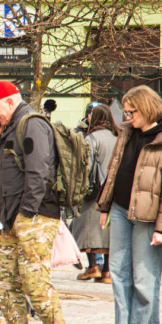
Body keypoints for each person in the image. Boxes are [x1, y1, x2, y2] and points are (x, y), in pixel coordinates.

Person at [0, 81, 69, 324]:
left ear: (9, 101)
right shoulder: (8, 127)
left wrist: (27, 213)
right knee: (5, 282)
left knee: (35, 283)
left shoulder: (32, 124)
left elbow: (39, 171)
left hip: (34, 217)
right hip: (12, 219)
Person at [97, 86, 162, 324]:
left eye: (131, 111)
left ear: (146, 108)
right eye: (125, 111)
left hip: (147, 217)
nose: (127, 116)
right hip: (121, 211)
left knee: (144, 279)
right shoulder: (125, 134)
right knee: (119, 275)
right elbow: (113, 171)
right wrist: (105, 205)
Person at [72, 104, 118, 283]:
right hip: (113, 191)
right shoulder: (118, 137)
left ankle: (93, 267)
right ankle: (107, 271)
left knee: (89, 229)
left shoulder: (91, 138)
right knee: (108, 231)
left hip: (95, 192)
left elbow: (87, 166)